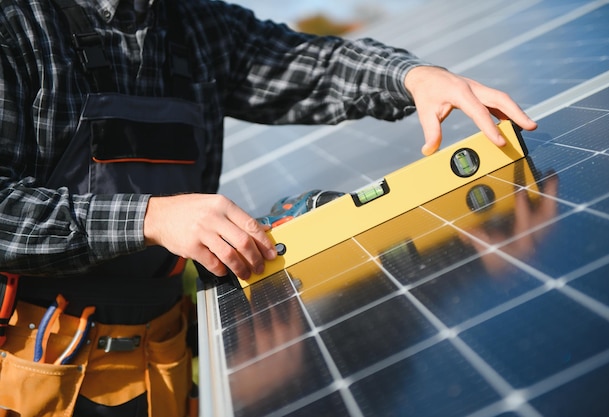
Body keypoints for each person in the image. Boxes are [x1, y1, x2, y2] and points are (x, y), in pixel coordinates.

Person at [0, 0, 537, 416]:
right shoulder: (17, 25)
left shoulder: (192, 25)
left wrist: (412, 78)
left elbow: (311, 64)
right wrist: (151, 217)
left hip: (162, 360)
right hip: (30, 369)